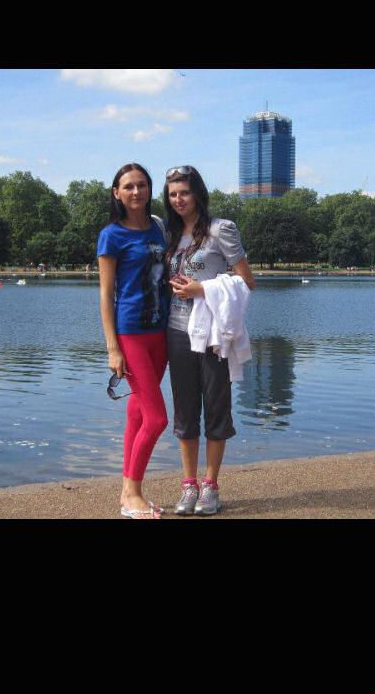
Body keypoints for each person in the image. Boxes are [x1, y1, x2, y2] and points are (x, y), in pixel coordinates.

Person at [164, 165, 256, 515]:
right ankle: (189, 485)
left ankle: (211, 486)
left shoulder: (221, 229)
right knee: (185, 412)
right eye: (173, 194)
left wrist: (202, 289)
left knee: (216, 408)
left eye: (184, 193)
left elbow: (247, 282)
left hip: (213, 335)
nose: (179, 200)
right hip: (177, 332)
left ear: (198, 194)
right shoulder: (170, 234)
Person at [97, 163, 170, 519]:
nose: (136, 192)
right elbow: (106, 293)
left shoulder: (159, 228)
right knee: (157, 419)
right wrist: (113, 348)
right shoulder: (111, 235)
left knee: (138, 411)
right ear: (117, 192)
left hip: (161, 332)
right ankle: (132, 493)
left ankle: (127, 492)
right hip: (131, 334)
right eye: (128, 186)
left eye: (142, 185)